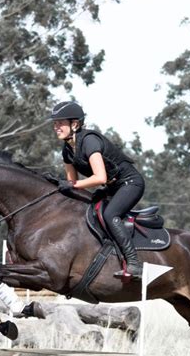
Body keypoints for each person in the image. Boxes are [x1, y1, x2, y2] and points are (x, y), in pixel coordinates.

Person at [51, 101, 145, 280]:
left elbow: (100, 177)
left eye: (60, 123)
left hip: (130, 183)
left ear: (75, 124)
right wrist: (58, 184)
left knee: (110, 214)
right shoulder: (67, 150)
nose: (56, 127)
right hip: (112, 187)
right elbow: (73, 182)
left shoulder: (89, 141)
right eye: (55, 123)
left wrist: (71, 185)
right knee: (88, 211)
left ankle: (134, 263)